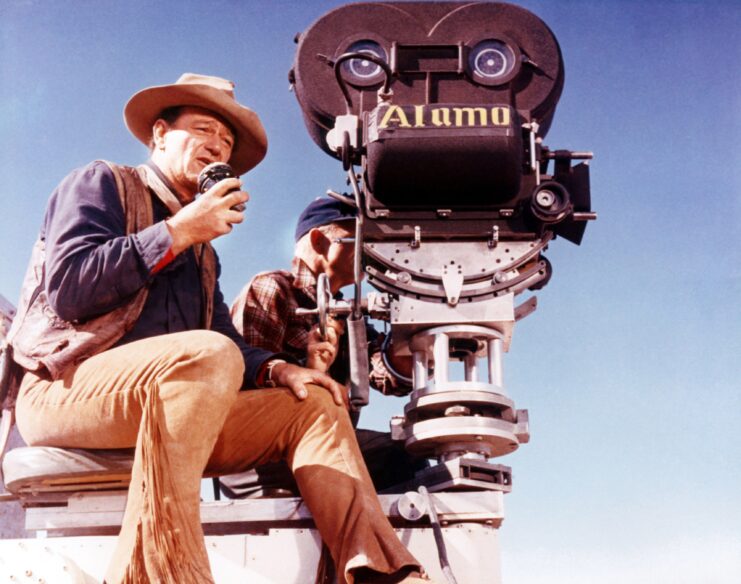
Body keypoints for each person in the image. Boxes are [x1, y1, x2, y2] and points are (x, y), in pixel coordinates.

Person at [5, 73, 433, 584]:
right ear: (160, 134)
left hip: (178, 403)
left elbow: (228, 344)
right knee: (207, 355)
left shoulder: (204, 254)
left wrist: (278, 370)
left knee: (314, 403)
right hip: (65, 393)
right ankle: (164, 572)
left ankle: (376, 571)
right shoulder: (103, 184)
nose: (217, 146)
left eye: (226, 141)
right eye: (203, 130)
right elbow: (70, 287)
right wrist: (179, 231)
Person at [223, 197, 426, 498]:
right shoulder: (272, 289)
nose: (371, 251)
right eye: (361, 239)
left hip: (323, 440)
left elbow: (390, 376)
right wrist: (308, 369)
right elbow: (247, 390)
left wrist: (414, 327)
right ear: (319, 241)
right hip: (263, 454)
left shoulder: (349, 314)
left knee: (408, 455)